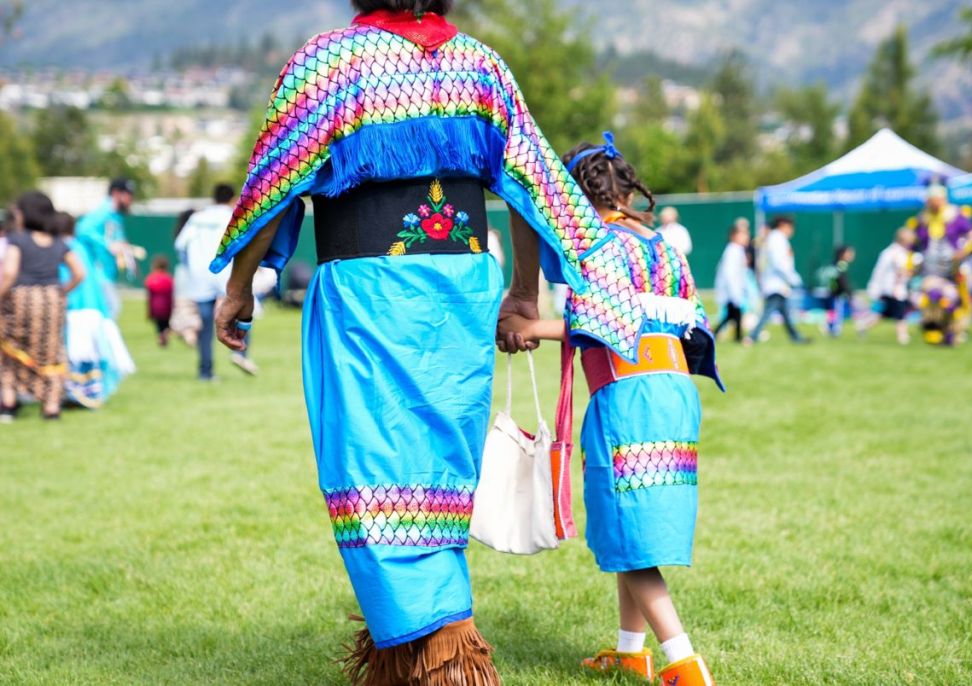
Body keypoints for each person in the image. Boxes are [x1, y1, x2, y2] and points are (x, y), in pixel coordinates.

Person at [209, 3, 643, 683]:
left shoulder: (327, 64)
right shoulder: (483, 66)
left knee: (374, 475)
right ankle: (400, 658)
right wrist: (524, 290)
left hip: (370, 295)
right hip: (461, 288)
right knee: (435, 473)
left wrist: (239, 287)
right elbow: (528, 189)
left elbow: (271, 187)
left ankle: (447, 654)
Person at [499, 137, 722, 686]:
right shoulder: (664, 245)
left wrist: (529, 328)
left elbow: (608, 321)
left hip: (628, 394)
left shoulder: (600, 245)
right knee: (631, 530)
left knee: (630, 530)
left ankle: (685, 664)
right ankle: (630, 652)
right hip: (673, 393)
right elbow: (688, 320)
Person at [0, 192, 85, 421]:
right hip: (52, 299)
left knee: (8, 349)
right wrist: (62, 291)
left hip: (22, 299)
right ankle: (51, 407)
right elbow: (79, 272)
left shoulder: (18, 239)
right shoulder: (58, 241)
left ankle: (8, 404)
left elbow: (9, 272)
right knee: (52, 352)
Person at [53, 211, 136, 408]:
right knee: (93, 357)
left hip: (74, 309)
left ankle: (74, 395)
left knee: (74, 356)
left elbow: (70, 277)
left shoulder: (62, 249)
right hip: (95, 310)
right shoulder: (82, 249)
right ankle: (91, 394)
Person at [176, 184, 257, 380]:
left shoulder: (197, 218)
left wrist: (189, 268)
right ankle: (240, 353)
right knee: (240, 311)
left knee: (204, 324)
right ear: (231, 198)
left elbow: (180, 245)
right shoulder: (234, 216)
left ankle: (205, 371)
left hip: (200, 275)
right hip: (226, 273)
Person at [905, 182, 972, 346]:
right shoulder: (921, 219)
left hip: (954, 270)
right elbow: (912, 245)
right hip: (930, 271)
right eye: (931, 200)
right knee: (930, 297)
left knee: (954, 299)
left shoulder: (957, 216)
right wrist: (910, 265)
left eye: (937, 199)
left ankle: (952, 332)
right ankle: (933, 329)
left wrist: (963, 252)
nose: (934, 203)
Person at [75, 178, 135, 318]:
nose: (130, 198)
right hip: (98, 272)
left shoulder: (116, 216)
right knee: (111, 310)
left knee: (110, 312)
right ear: (115, 193)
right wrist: (108, 244)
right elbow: (82, 229)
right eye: (127, 194)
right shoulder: (104, 211)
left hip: (107, 273)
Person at [745, 216, 809, 345]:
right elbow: (780, 263)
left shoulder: (776, 238)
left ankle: (795, 336)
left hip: (778, 283)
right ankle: (752, 336)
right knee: (769, 311)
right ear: (783, 225)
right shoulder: (777, 239)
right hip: (776, 283)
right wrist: (794, 279)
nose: (792, 231)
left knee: (784, 312)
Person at [858, 228, 917, 345]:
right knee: (900, 314)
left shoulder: (903, 253)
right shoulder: (893, 253)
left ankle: (863, 326)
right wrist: (875, 289)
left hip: (895, 290)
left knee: (882, 314)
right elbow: (883, 272)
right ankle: (903, 337)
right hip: (893, 291)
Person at [713, 220, 751, 342]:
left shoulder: (738, 250)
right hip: (731, 290)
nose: (746, 237)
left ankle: (719, 334)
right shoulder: (732, 250)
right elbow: (730, 274)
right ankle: (738, 338)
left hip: (735, 289)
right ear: (733, 236)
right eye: (742, 234)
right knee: (735, 314)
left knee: (731, 315)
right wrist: (735, 292)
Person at [170, 208, 202, 346]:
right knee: (191, 306)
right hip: (191, 273)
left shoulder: (179, 234)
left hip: (182, 273)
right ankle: (189, 333)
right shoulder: (193, 234)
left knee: (183, 306)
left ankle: (184, 330)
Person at [819, 245, 855, 337]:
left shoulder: (834, 264)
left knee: (832, 311)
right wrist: (848, 292)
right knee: (837, 311)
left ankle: (829, 327)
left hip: (832, 293)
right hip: (836, 293)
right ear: (842, 254)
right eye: (849, 253)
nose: (851, 255)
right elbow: (842, 280)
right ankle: (834, 329)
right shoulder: (841, 265)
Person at [145, 256, 175, 347]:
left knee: (159, 325)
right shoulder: (169, 279)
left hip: (155, 307)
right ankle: (165, 336)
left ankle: (160, 337)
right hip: (167, 307)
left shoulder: (150, 279)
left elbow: (149, 296)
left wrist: (149, 311)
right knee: (166, 324)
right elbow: (172, 294)